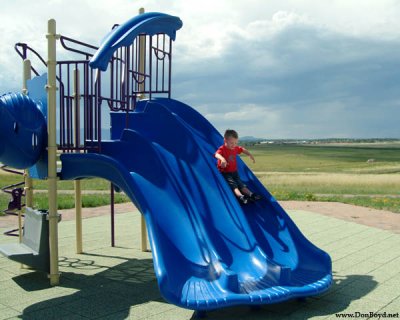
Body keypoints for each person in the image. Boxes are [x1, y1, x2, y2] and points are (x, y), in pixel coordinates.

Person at [215, 129, 262, 204]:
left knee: (241, 184)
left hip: (234, 172)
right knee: (234, 185)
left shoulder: (234, 148)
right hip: (226, 172)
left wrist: (249, 154)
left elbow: (242, 149)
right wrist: (222, 159)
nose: (234, 145)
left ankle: (251, 194)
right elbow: (216, 154)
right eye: (231, 143)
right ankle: (241, 197)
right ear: (225, 140)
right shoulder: (222, 149)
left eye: (235, 143)